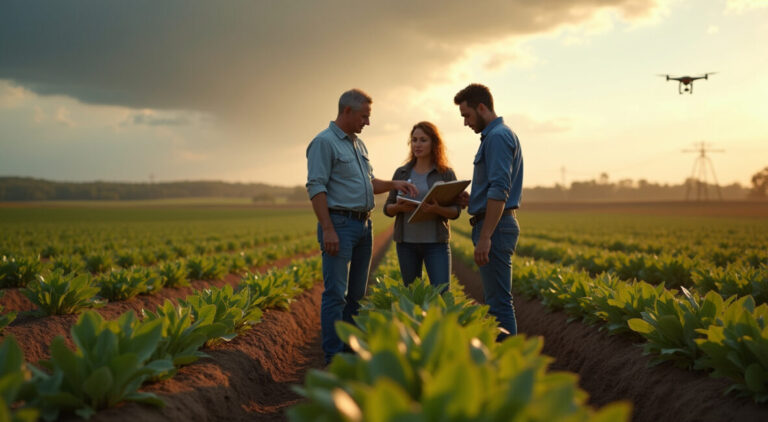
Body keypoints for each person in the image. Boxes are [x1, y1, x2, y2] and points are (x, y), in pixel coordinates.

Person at [306, 88, 417, 364]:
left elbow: (368, 183)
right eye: (364, 116)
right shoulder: (324, 142)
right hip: (340, 226)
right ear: (347, 112)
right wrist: (328, 228)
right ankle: (334, 356)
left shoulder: (358, 145)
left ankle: (349, 350)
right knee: (336, 294)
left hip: (363, 226)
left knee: (356, 295)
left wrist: (393, 184)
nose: (367, 122)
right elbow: (316, 187)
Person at [453, 83, 523, 341]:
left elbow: (500, 189)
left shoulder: (496, 137)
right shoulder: (500, 135)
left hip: (495, 227)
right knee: (496, 301)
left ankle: (507, 365)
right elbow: (495, 188)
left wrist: (485, 236)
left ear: (482, 107)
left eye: (466, 115)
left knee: (499, 304)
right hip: (496, 223)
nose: (465, 122)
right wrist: (473, 200)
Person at [383, 122, 461, 289]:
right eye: (414, 140)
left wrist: (436, 210)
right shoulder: (401, 172)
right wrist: (399, 208)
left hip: (436, 244)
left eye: (423, 140)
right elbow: (387, 209)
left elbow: (455, 212)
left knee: (441, 295)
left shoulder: (446, 173)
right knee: (412, 296)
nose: (417, 144)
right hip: (406, 245)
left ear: (434, 143)